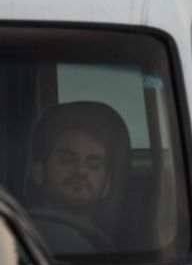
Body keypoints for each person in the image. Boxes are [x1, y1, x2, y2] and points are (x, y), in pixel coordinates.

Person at [28, 101, 130, 252]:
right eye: (67, 160)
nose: (81, 170)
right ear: (39, 172)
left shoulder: (103, 243)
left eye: (94, 164)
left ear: (107, 185)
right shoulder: (23, 236)